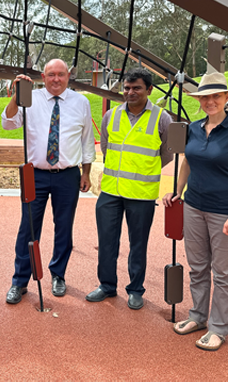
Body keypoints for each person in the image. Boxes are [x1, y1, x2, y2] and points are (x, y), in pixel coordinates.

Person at [2, 59, 96, 304]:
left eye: (61, 74)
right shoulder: (29, 98)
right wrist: (16, 95)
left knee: (64, 227)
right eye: (51, 74)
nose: (56, 79)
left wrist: (86, 172)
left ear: (68, 76)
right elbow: (8, 123)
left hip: (67, 175)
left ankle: (58, 274)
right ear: (43, 77)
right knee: (28, 228)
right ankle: (19, 281)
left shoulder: (81, 102)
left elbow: (87, 140)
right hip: (35, 174)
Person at [86, 68, 172, 310]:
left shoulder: (162, 118)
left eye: (136, 88)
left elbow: (166, 154)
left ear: (149, 90)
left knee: (138, 244)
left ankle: (135, 289)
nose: (130, 92)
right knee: (106, 242)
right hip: (110, 192)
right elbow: (105, 146)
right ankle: (106, 285)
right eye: (127, 88)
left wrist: (143, 170)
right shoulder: (110, 116)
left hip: (142, 194)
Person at [163, 72, 228, 351]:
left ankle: (219, 327)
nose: (210, 101)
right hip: (194, 205)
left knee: (223, 272)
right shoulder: (196, 127)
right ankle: (198, 316)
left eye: (216, 96)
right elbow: (188, 161)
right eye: (205, 97)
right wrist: (178, 191)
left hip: (223, 211)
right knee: (198, 267)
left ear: (226, 98)